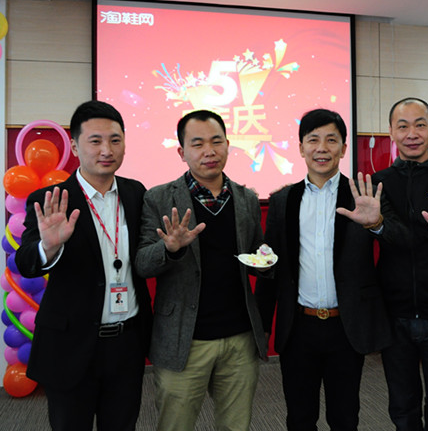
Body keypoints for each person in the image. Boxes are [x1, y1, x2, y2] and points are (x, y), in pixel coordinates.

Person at [15, 100, 152, 431]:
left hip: (126, 343)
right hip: (70, 344)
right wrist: (49, 245)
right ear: (75, 146)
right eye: (95, 141)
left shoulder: (136, 193)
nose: (107, 150)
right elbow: (26, 263)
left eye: (115, 140)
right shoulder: (50, 199)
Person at [255, 108, 392, 430]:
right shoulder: (283, 200)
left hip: (345, 326)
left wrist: (377, 224)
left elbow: (395, 244)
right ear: (301, 147)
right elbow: (270, 265)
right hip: (298, 328)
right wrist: (262, 325)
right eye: (313, 139)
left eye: (331, 140)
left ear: (343, 149)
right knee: (299, 417)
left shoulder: (362, 196)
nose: (322, 148)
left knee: (344, 417)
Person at [135, 109, 269, 431]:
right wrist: (170, 248)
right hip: (183, 338)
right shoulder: (158, 198)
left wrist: (266, 260)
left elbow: (256, 251)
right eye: (197, 144)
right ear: (182, 152)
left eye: (216, 141)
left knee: (236, 426)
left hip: (239, 337)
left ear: (228, 145)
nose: (209, 151)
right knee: (175, 426)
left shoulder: (246, 198)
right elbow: (142, 263)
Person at [350, 97, 428, 431]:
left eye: (420, 124)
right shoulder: (378, 183)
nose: (412, 133)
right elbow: (391, 239)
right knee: (403, 411)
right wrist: (377, 225)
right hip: (396, 316)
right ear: (391, 131)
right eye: (403, 126)